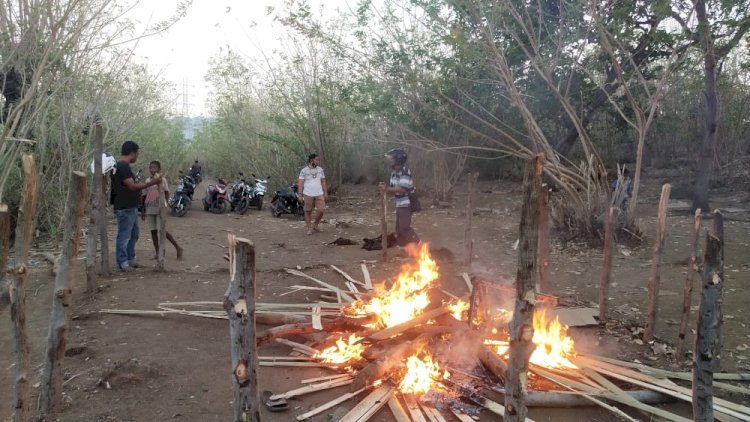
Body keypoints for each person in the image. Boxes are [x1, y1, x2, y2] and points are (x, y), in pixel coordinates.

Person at [112, 141, 162, 272]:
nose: (137, 156)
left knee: (134, 234)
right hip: (125, 207)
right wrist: (153, 182)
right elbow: (132, 186)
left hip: (131, 206)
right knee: (124, 235)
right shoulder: (122, 166)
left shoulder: (124, 166)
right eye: (137, 153)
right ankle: (122, 262)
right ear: (132, 153)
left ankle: (130, 258)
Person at [141, 160, 184, 261]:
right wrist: (143, 210)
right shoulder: (147, 181)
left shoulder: (162, 180)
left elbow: (167, 193)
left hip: (160, 208)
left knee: (162, 230)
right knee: (153, 231)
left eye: (155, 167)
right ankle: (158, 252)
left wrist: (166, 205)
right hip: (150, 208)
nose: (152, 169)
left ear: (159, 169)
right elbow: (144, 196)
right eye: (151, 167)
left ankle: (178, 247)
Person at [379, 148, 420, 246]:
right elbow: (394, 188)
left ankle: (419, 245)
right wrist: (385, 187)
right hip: (399, 203)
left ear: (398, 160)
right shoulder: (394, 173)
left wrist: (387, 188)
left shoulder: (404, 171)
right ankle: (405, 249)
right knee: (398, 230)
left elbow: (403, 189)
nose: (390, 160)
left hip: (407, 203)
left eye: (392, 158)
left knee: (404, 228)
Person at [297, 153, 328, 235]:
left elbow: (323, 181)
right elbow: (300, 182)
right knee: (308, 211)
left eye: (319, 160)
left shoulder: (320, 170)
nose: (318, 161)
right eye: (317, 159)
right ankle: (309, 228)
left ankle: (315, 224)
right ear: (311, 160)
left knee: (321, 210)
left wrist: (325, 193)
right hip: (308, 194)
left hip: (319, 193)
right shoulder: (304, 171)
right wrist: (300, 195)